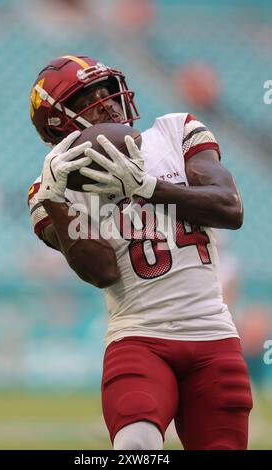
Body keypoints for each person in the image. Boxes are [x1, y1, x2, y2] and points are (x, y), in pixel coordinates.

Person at [28, 55, 253, 450]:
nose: (109, 102)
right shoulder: (51, 187)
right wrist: (57, 203)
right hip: (139, 337)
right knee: (136, 448)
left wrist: (148, 188)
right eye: (88, 99)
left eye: (106, 90)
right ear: (59, 123)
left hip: (213, 334)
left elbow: (230, 210)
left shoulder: (175, 131)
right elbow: (102, 273)